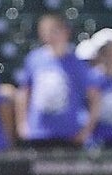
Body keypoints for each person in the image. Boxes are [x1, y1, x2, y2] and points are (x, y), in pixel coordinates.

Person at [14, 13, 92, 148]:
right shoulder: (34, 59)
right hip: (38, 133)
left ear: (66, 32)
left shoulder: (77, 63)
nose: (50, 36)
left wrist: (86, 130)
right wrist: (22, 124)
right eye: (45, 31)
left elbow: (94, 97)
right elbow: (24, 93)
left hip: (69, 134)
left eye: (54, 31)